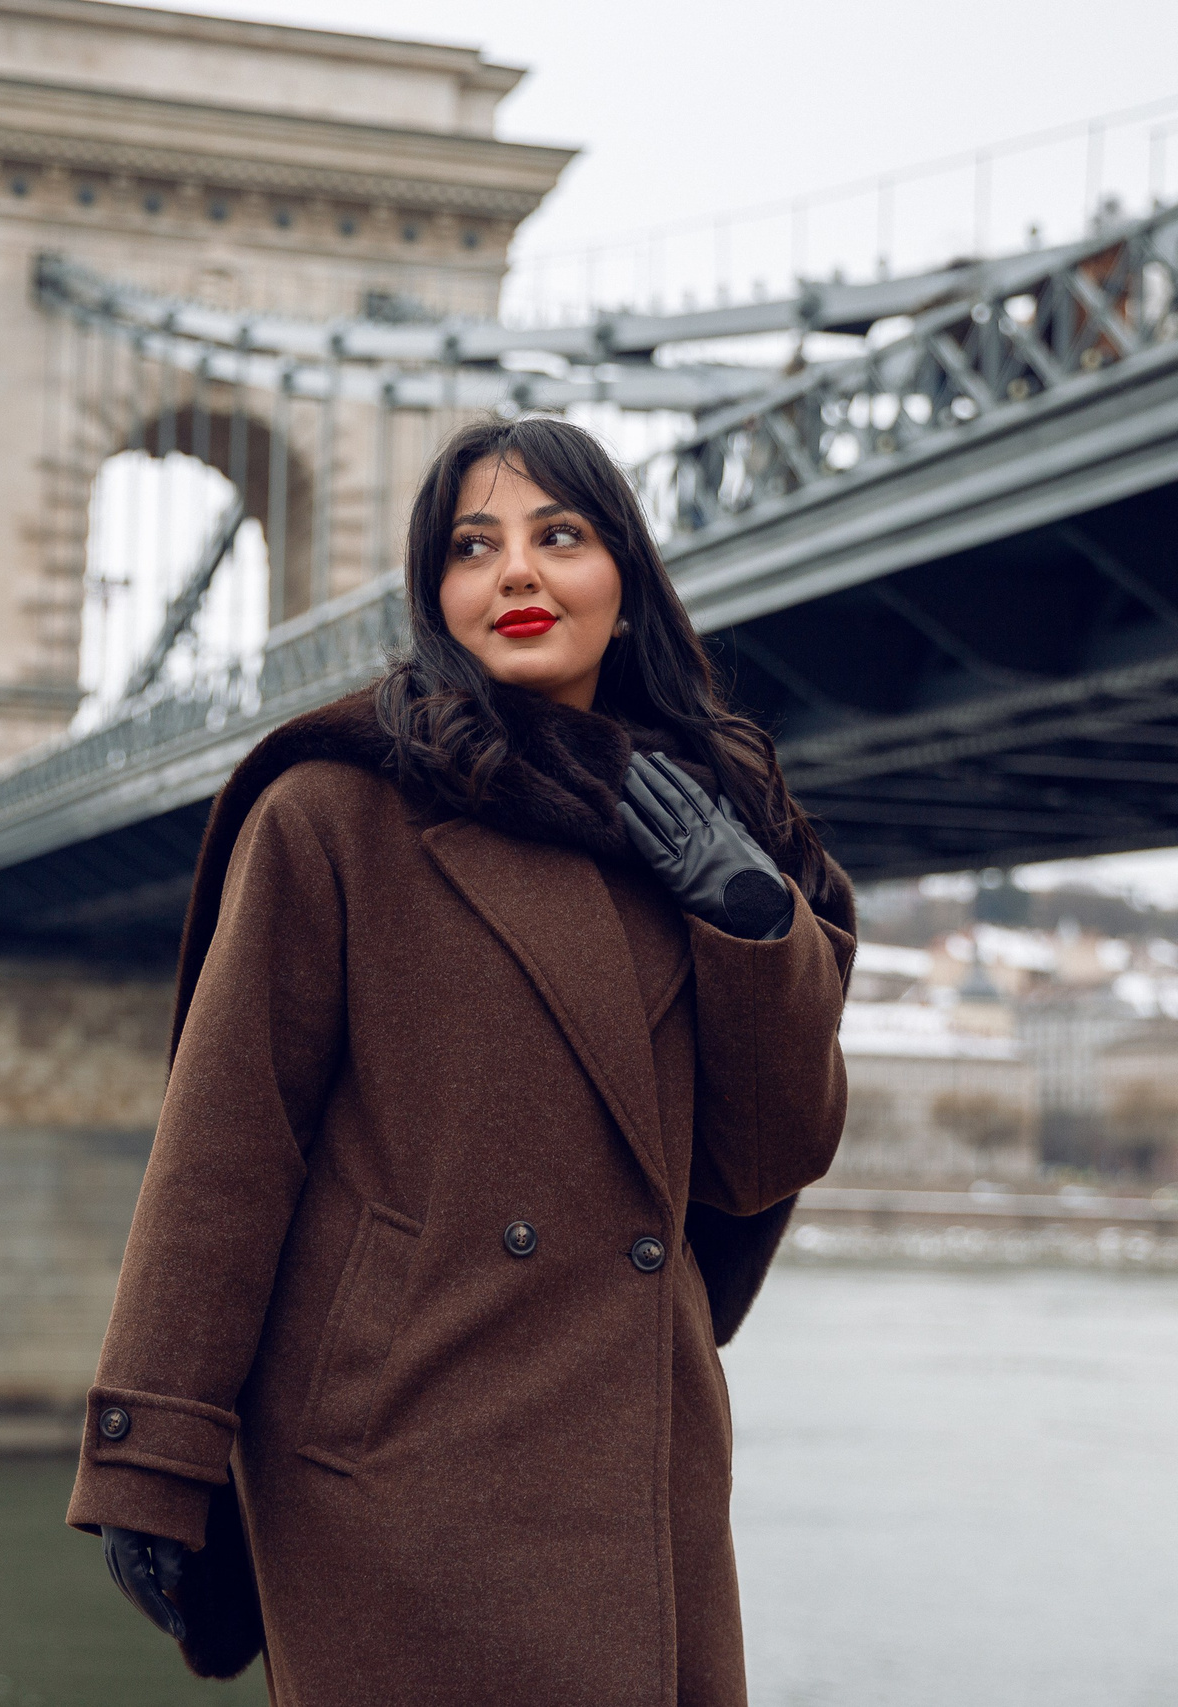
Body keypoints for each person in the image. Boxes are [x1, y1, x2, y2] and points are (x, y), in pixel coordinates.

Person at [65, 414, 857, 1705]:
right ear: (436, 594)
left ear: (627, 579)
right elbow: (228, 1143)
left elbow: (768, 1159)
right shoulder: (336, 808)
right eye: (473, 547)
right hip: (398, 1449)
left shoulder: (724, 833)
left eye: (562, 537)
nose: (519, 575)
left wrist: (754, 924)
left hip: (635, 1442)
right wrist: (154, 1454)